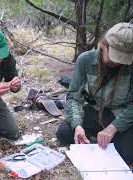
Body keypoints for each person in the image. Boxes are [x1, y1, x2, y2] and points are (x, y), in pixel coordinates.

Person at [56, 22, 133, 164]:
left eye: (123, 59)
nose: (117, 63)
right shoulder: (85, 60)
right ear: (103, 44)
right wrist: (77, 125)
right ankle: (95, 137)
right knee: (64, 133)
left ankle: (104, 138)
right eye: (115, 56)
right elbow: (74, 96)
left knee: (128, 154)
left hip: (119, 115)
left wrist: (113, 128)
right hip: (93, 111)